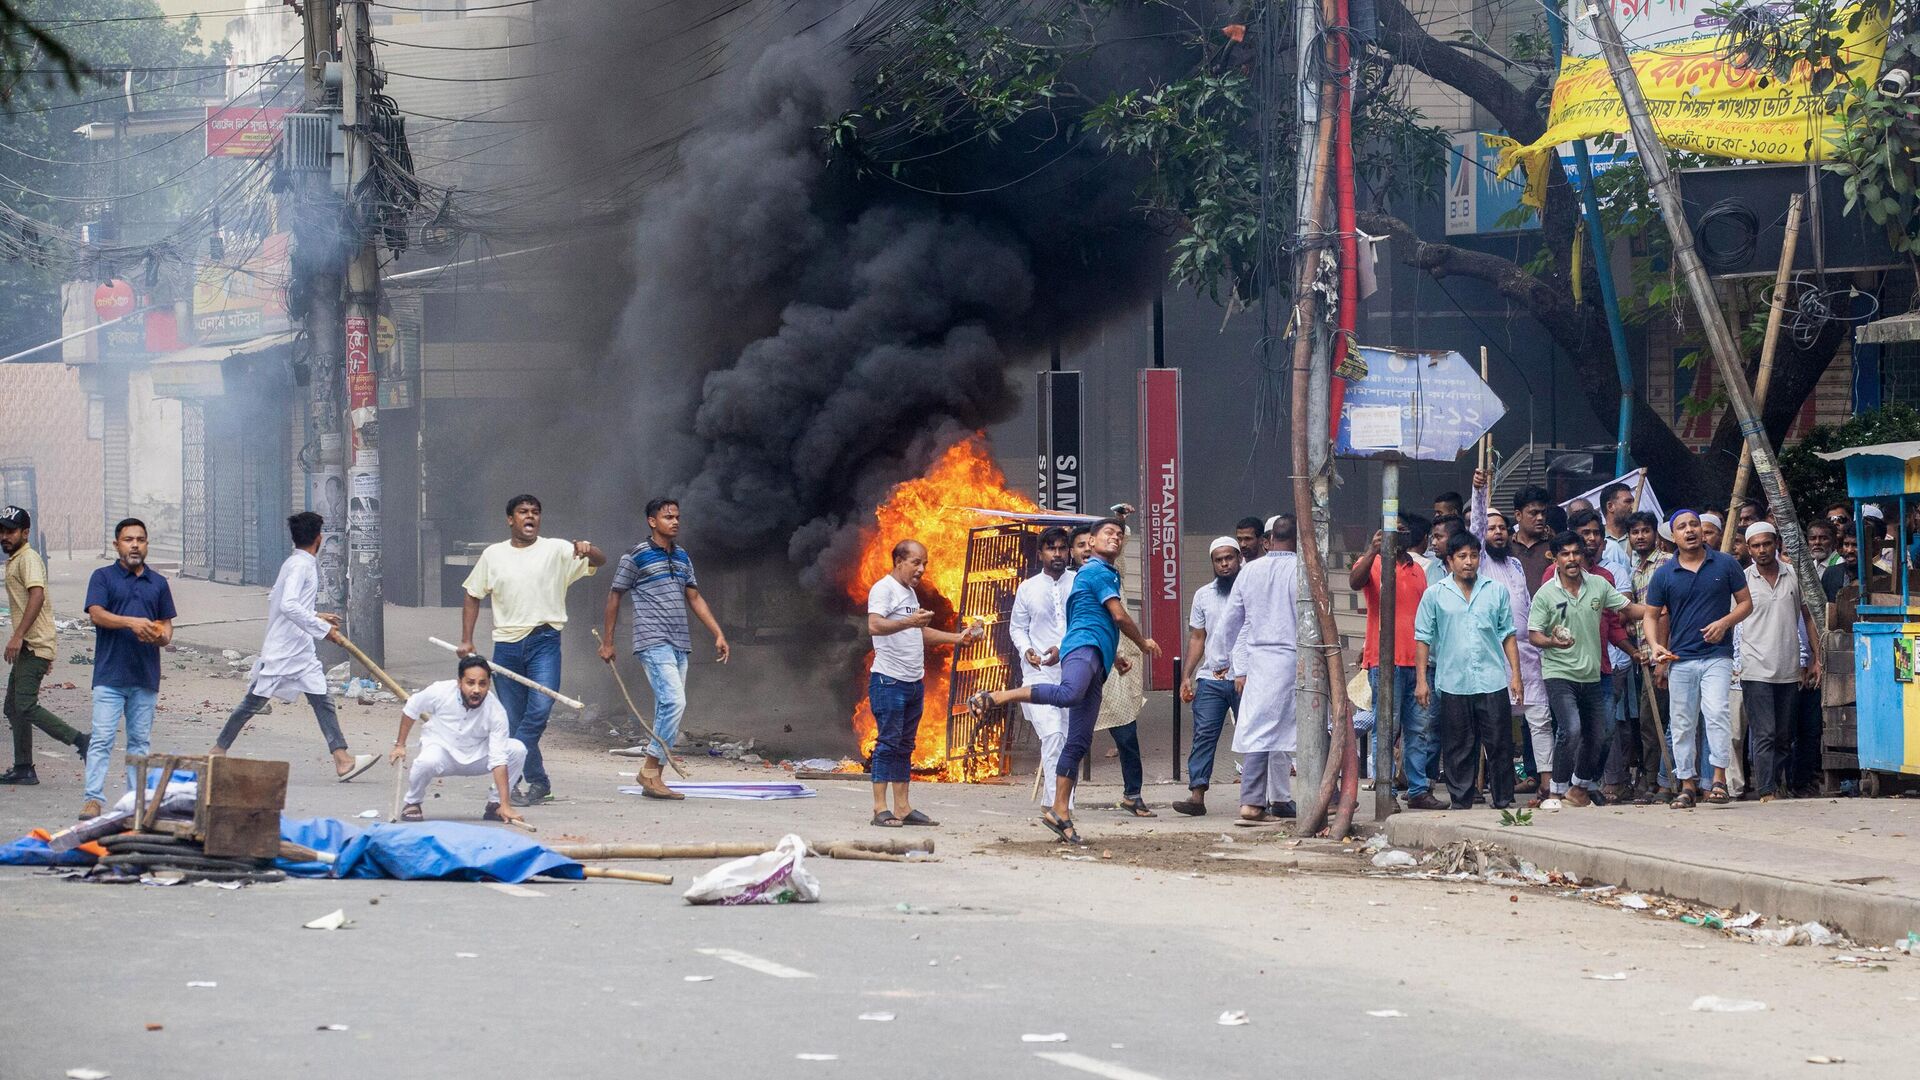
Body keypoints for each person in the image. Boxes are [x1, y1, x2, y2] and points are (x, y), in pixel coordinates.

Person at [968, 519, 1161, 845]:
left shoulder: (1093, 575)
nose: (1112, 538)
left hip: (1091, 661)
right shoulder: (1093, 572)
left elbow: (1092, 621)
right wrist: (1142, 643)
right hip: (1065, 660)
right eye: (1103, 535)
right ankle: (999, 697)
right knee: (1064, 707)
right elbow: (1116, 616)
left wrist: (1112, 655)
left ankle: (1060, 812)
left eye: (1117, 535)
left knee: (1077, 741)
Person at [459, 494, 604, 806]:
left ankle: (506, 773)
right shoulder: (493, 555)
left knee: (538, 711)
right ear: (510, 519)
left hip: (544, 642)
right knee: (515, 718)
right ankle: (539, 784)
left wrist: (588, 549)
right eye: (523, 512)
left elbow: (599, 562)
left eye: (535, 512)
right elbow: (473, 594)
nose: (530, 517)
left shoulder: (557, 549)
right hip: (506, 647)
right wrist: (467, 640)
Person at [212, 512, 379, 780]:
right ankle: (217, 751)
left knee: (322, 700)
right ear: (319, 539)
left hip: (300, 650)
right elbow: (287, 604)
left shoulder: (294, 563)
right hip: (283, 649)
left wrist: (315, 615)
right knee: (252, 702)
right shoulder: (301, 566)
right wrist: (324, 630)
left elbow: (280, 600)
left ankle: (342, 759)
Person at [600, 497, 729, 801]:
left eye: (677, 517)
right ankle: (648, 769)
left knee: (666, 708)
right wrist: (608, 641)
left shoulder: (683, 556)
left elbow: (694, 597)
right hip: (652, 639)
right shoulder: (635, 556)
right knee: (674, 702)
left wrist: (718, 633)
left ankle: (654, 779)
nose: (675, 521)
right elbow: (614, 596)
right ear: (652, 521)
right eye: (668, 517)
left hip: (679, 642)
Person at [1528, 531, 1656, 809]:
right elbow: (1534, 635)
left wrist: (1654, 610)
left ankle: (1578, 786)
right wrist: (1552, 642)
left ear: (1583, 555)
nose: (1572, 559)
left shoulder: (1598, 584)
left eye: (1576, 553)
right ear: (1555, 559)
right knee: (1571, 729)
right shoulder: (1546, 594)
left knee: (1599, 734)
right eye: (1565, 554)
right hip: (1559, 672)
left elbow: (1627, 609)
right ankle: (1555, 791)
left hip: (1593, 673)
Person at [867, 540, 983, 827]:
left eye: (925, 563)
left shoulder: (908, 593)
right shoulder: (884, 588)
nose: (922, 569)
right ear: (898, 561)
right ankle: (880, 809)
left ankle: (903, 808)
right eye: (916, 562)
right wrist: (910, 623)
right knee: (888, 744)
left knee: (906, 745)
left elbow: (918, 633)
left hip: (912, 682)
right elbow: (875, 625)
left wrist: (958, 639)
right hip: (888, 681)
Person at [1645, 509, 1753, 809]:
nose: (1690, 530)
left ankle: (1718, 780)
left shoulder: (1726, 563)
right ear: (1673, 536)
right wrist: (1655, 646)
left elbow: (1746, 604)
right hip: (1680, 657)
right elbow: (1651, 616)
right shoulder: (1664, 574)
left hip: (1717, 656)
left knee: (1717, 712)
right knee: (1681, 722)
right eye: (1682, 527)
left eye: (1694, 525)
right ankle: (1687, 784)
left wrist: (1724, 623)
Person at [1415, 530, 1521, 810]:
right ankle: (1461, 799)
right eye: (1462, 556)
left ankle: (1503, 798)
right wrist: (1421, 681)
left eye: (1473, 556)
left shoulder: (1495, 591)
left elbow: (1508, 634)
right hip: (1453, 679)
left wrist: (1516, 676)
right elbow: (1423, 638)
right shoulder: (1435, 595)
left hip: (1492, 678)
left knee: (1499, 742)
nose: (1468, 562)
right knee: (1458, 744)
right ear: (1449, 560)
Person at [79, 519, 176, 819]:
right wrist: (132, 622)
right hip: (110, 675)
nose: (135, 545)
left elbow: (168, 630)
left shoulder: (158, 583)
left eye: (141, 540)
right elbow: (97, 614)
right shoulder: (103, 577)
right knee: (102, 739)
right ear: (116, 545)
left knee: (139, 743)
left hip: (145, 677)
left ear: (147, 544)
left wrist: (159, 635)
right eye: (128, 539)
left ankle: (136, 802)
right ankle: (93, 799)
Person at [1212, 517, 1303, 822]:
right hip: (1297, 658)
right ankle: (1323, 796)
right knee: (1311, 726)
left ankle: (1253, 801)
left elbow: (1230, 620)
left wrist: (1220, 660)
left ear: (1269, 540)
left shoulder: (1250, 571)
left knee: (1259, 729)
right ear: (1299, 540)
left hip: (1260, 659)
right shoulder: (1304, 570)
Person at [1349, 516, 1441, 809]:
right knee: (1385, 728)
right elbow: (1354, 582)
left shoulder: (1419, 571)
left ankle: (1417, 789)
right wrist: (1374, 551)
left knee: (1418, 729)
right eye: (1393, 532)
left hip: (1418, 663)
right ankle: (1384, 790)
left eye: (1403, 532)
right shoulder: (1372, 563)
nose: (1399, 537)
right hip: (1384, 662)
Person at [1469, 472, 1545, 795]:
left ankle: (1545, 783)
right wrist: (1479, 491)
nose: (1497, 533)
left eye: (1502, 528)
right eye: (1491, 528)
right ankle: (1500, 787)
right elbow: (1474, 526)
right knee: (1497, 726)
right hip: (1494, 655)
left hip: (1528, 654)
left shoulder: (1514, 565)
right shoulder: (1481, 562)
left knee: (1539, 720)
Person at [1, 507, 86, 785]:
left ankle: (81, 740)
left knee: (24, 705)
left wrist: (19, 636)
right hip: (33, 644)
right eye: (2, 531)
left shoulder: (28, 559)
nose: (5, 536)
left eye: (11, 531)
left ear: (26, 533)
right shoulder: (16, 559)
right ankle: (24, 767)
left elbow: (37, 596)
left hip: (32, 644)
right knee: (13, 707)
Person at [390, 655, 528, 827]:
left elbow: (498, 759)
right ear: (459, 682)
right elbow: (412, 708)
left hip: (477, 756)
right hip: (442, 753)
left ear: (488, 685)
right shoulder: (440, 691)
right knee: (425, 761)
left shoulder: (496, 711)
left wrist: (506, 805)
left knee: (517, 749)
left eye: (482, 684)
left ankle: (495, 805)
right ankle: (413, 802)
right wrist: (400, 745)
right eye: (470, 683)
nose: (476, 690)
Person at [1737, 523, 1819, 802]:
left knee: (1784, 735)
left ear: (1776, 543)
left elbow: (1808, 618)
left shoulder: (1794, 576)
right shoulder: (1742, 580)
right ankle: (1766, 789)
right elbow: (1733, 623)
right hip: (1754, 666)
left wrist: (1816, 659)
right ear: (1749, 549)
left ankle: (1777, 783)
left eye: (1767, 544)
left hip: (1789, 667)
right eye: (1756, 545)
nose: (1762, 550)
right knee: (1765, 733)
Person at [1174, 537, 1244, 816]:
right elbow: (1197, 637)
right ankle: (1196, 795)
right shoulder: (1203, 595)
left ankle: (1258, 796)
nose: (1225, 564)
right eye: (1219, 560)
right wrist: (1186, 676)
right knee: (1204, 734)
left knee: (1253, 736)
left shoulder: (1249, 588)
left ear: (1238, 558)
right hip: (1211, 678)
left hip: (1245, 677)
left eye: (1229, 558)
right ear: (1212, 563)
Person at [1009, 526, 1076, 800]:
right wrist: (1027, 650)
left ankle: (1056, 803)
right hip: (1038, 676)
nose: (1057, 554)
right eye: (1051, 548)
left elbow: (1084, 624)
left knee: (1069, 741)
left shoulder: (1079, 582)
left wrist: (1062, 648)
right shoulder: (1027, 588)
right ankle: (1062, 806)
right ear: (1040, 554)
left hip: (1074, 674)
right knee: (1052, 737)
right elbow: (1017, 628)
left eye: (1062, 548)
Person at [1626, 510, 1676, 802]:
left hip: (1664, 655)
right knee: (1648, 723)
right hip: (1644, 656)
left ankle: (1662, 780)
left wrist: (1662, 657)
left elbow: (1665, 613)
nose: (1640, 536)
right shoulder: (1635, 571)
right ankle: (1656, 778)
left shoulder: (1667, 564)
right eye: (1635, 533)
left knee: (1662, 721)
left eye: (1645, 531)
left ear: (1655, 534)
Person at [1511, 485, 1555, 585]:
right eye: (1533, 513)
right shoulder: (1505, 547)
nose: (1540, 518)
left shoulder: (1556, 545)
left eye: (1543, 513)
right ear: (1518, 515)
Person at [1600, 482, 1635, 567]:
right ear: (1610, 506)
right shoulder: (1597, 540)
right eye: (1628, 502)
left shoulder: (1638, 538)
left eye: (1633, 501)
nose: (1633, 506)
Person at [1821, 526, 1858, 602]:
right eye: (1846, 544)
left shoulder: (1879, 575)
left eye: (1855, 545)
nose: (1850, 550)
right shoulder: (1830, 573)